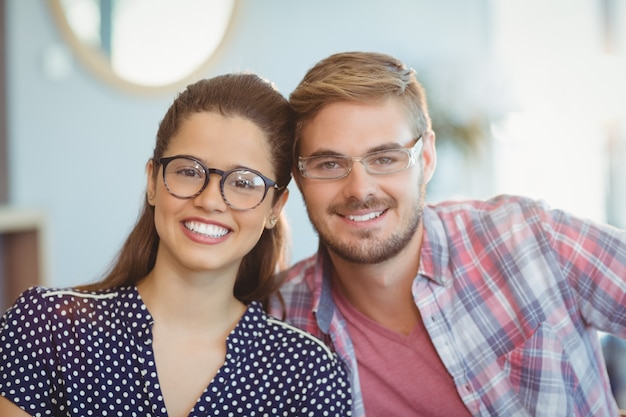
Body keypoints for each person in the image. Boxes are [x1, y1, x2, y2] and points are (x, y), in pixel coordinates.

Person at [269, 51, 626, 416]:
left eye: (386, 158)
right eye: (329, 164)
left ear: (426, 159)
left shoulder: (528, 237)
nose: (360, 190)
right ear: (299, 178)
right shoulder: (278, 319)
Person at [0, 73, 351, 417]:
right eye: (189, 171)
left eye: (244, 182)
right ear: (153, 181)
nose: (211, 201)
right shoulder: (46, 328)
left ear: (275, 208)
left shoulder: (309, 374)